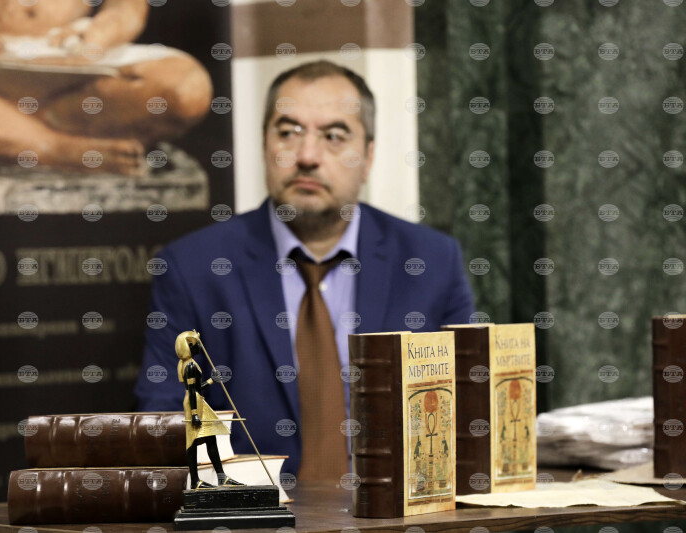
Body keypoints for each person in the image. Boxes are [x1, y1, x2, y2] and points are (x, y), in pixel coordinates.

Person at [135, 60, 475, 478]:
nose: (307, 156)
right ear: (264, 145)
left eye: (334, 136)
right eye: (288, 132)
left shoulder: (430, 262)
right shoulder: (194, 268)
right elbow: (165, 420)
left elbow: (468, 415)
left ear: (368, 157)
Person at [0, 0, 211, 174]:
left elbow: (127, 6)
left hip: (73, 67)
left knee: (187, 89)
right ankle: (60, 150)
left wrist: (98, 36)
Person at [175, 330, 243, 490]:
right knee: (192, 443)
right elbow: (193, 391)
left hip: (196, 401)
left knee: (210, 439)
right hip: (195, 404)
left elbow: (196, 388)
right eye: (197, 344)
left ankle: (221, 477)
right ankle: (195, 481)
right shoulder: (190, 365)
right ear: (189, 346)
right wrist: (194, 414)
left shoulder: (187, 363)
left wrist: (212, 380)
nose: (200, 346)